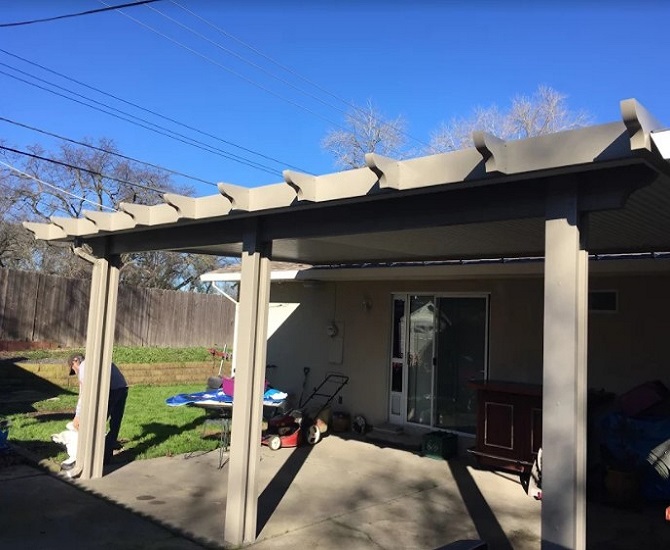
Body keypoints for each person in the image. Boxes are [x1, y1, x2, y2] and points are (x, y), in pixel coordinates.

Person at [66, 352, 128, 468]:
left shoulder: (84, 366)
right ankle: (106, 457)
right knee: (115, 424)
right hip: (122, 387)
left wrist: (78, 415)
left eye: (74, 369)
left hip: (112, 390)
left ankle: (91, 456)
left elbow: (84, 393)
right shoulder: (95, 360)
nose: (75, 372)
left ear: (75, 361)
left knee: (97, 423)